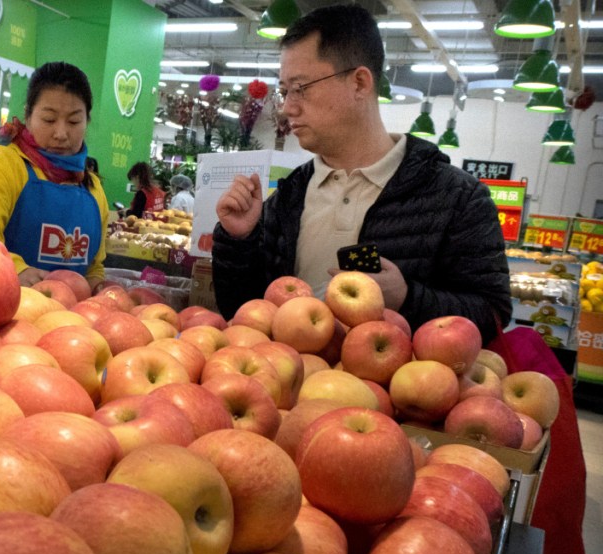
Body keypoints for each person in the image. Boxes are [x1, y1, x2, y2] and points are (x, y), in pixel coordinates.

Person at [211, 3, 511, 343]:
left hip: (401, 393)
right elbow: (243, 313)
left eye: (301, 88)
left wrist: (407, 299)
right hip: (290, 387)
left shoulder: (457, 197)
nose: (287, 107)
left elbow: (493, 317)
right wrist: (239, 241)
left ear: (359, 83)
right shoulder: (288, 197)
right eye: (284, 91)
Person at [0, 61, 109, 290]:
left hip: (70, 321)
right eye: (49, 120)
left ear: (87, 121)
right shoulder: (3, 165)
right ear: (28, 115)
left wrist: (99, 291)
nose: (61, 134)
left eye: (74, 121)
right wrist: (15, 270)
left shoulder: (92, 189)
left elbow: (94, 266)